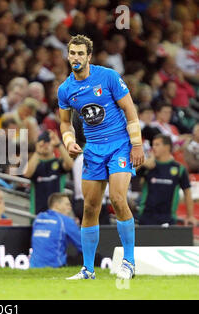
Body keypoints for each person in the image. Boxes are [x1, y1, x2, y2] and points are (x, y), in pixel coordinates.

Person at [58, 35, 145, 280]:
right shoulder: (66, 90)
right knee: (89, 207)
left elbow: (130, 109)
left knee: (118, 199)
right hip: (93, 150)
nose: (75, 57)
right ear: (68, 56)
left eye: (80, 54)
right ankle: (88, 270)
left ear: (89, 57)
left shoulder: (107, 77)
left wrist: (136, 145)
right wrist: (69, 141)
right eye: (72, 53)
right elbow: (65, 123)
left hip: (119, 145)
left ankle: (129, 262)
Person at [137, 134, 196, 226]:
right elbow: (128, 174)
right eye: (153, 145)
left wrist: (190, 216)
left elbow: (187, 193)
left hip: (168, 217)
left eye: (157, 145)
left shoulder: (179, 169)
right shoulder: (148, 166)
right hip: (146, 216)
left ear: (167, 147)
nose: (153, 148)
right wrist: (143, 163)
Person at [23, 130, 73, 215]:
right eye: (43, 143)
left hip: (58, 211)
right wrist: (38, 152)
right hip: (37, 212)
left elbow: (70, 165)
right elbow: (27, 173)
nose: (46, 146)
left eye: (48, 143)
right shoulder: (34, 163)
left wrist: (59, 144)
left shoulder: (58, 162)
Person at [30, 192, 82, 268]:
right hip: (55, 266)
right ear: (56, 205)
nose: (70, 208)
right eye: (67, 204)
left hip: (33, 266)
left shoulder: (38, 218)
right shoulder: (64, 220)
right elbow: (83, 244)